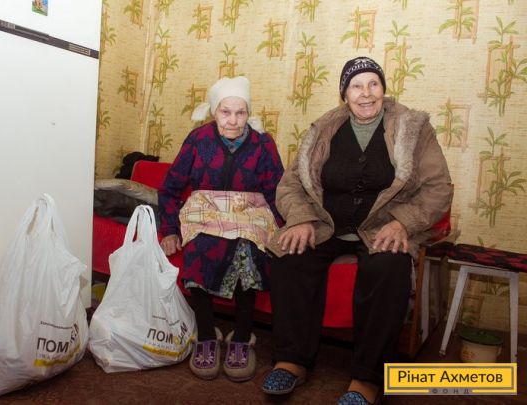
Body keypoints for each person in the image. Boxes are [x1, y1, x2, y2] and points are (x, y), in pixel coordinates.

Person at [261, 57, 453, 404]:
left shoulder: (412, 128)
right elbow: (290, 185)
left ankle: (367, 379)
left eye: (373, 84)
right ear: (344, 94)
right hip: (326, 224)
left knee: (388, 268)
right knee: (290, 255)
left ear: (383, 89)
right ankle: (291, 361)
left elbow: (438, 188)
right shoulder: (323, 129)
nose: (366, 93)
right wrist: (301, 218)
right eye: (356, 86)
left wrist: (404, 222)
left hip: (383, 227)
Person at [158, 76, 284, 382]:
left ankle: (242, 337)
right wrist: (170, 229)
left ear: (248, 113)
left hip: (249, 212)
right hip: (205, 209)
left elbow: (278, 191)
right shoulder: (198, 139)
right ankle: (206, 334)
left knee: (247, 250)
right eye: (226, 112)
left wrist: (283, 229)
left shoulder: (263, 144)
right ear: (214, 111)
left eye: (241, 113)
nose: (233, 120)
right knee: (200, 248)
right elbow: (170, 187)